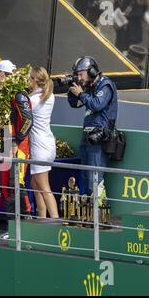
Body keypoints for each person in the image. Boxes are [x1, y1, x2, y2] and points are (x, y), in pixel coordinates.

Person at [67, 56, 118, 202]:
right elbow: (73, 103)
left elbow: (97, 104)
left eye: (81, 74)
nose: (79, 77)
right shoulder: (88, 87)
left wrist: (81, 94)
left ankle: (100, 217)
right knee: (85, 177)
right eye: (77, 74)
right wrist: (72, 89)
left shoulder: (105, 85)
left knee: (94, 178)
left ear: (92, 71)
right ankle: (91, 215)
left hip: (100, 138)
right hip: (87, 136)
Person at [0, 60, 33, 221]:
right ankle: (11, 225)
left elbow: (28, 120)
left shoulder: (19, 94)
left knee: (16, 182)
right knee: (5, 185)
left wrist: (16, 141)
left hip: (18, 145)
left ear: (3, 74)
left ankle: (25, 219)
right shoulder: (2, 94)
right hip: (4, 143)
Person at [29, 67, 59, 219]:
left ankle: (55, 223)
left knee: (45, 188)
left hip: (39, 147)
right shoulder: (50, 96)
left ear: (35, 80)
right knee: (36, 185)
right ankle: (41, 217)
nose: (28, 81)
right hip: (48, 144)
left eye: (29, 78)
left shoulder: (32, 100)